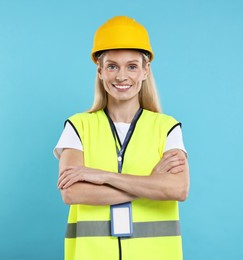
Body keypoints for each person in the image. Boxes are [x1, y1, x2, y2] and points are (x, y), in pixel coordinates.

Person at [53, 16, 190, 260]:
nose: (121, 76)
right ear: (100, 71)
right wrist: (152, 184)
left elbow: (178, 188)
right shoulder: (78, 126)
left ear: (145, 70)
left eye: (132, 66)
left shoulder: (167, 128)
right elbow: (72, 193)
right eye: (112, 66)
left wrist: (103, 177)